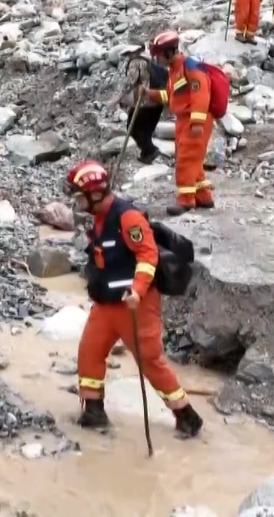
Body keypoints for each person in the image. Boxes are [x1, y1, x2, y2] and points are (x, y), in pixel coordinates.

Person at [65, 160, 203, 439]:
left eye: (80, 197)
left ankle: (186, 415)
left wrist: (138, 290)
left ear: (95, 194)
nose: (77, 203)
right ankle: (94, 411)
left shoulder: (128, 218)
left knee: (150, 362)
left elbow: (147, 254)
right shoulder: (100, 218)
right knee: (89, 353)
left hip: (134, 306)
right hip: (106, 304)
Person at [145, 31, 214, 216]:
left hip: (195, 119)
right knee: (193, 159)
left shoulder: (190, 66)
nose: (157, 59)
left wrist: (197, 121)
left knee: (185, 159)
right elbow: (171, 96)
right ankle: (203, 195)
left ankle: (186, 200)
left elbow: (201, 94)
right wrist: (150, 94)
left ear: (168, 52)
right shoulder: (174, 71)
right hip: (184, 120)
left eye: (159, 55)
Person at [120, 52, 167, 165]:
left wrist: (118, 98)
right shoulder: (151, 63)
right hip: (158, 101)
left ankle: (151, 151)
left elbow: (130, 83)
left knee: (133, 129)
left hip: (144, 103)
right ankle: (146, 154)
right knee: (146, 131)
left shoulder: (135, 62)